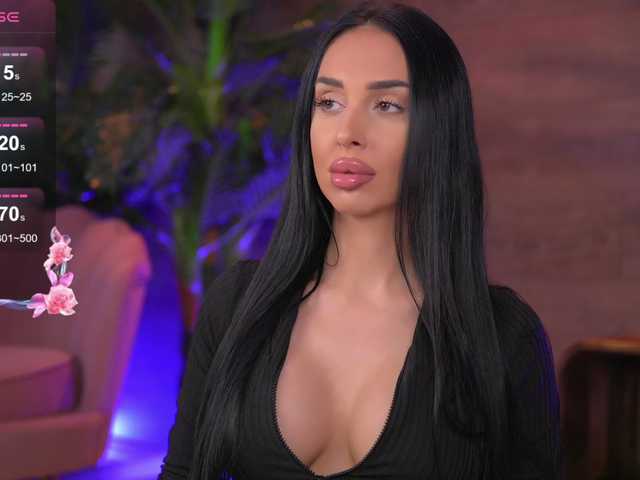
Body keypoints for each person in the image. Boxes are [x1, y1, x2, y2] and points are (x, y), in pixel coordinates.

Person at [159, 1, 563, 479]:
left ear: (439, 128)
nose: (347, 133)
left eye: (386, 105)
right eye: (329, 103)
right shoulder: (236, 307)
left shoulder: (502, 336)